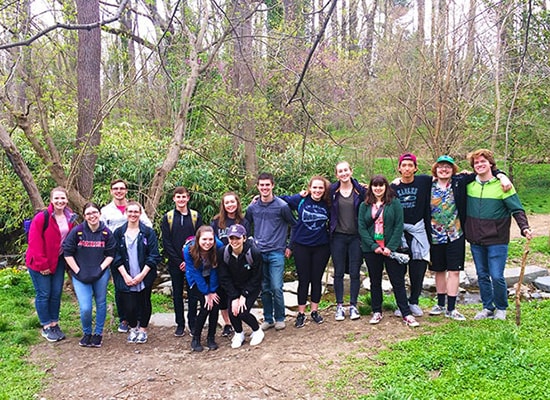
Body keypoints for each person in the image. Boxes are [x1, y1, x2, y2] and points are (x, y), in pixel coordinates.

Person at [428, 155, 512, 320]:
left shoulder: (460, 182)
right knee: (438, 270)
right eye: (440, 166)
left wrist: (502, 176)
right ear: (435, 169)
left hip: (456, 234)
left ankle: (451, 309)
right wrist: (395, 180)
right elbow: (407, 180)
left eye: (448, 166)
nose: (444, 169)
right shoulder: (427, 185)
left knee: (454, 271)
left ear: (453, 170)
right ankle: (440, 304)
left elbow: (486, 171)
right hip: (434, 236)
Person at [465, 149, 532, 320]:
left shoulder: (503, 185)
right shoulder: (470, 185)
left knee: (496, 275)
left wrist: (524, 227)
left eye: (483, 162)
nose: (480, 165)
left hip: (497, 239)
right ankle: (488, 307)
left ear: (490, 164)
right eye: (476, 163)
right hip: (476, 239)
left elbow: (517, 209)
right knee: (482, 275)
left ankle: (501, 308)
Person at [358, 175, 419, 327]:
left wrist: (390, 247)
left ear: (386, 186)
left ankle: (406, 313)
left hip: (391, 249)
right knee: (375, 281)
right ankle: (377, 311)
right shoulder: (364, 205)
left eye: (381, 185)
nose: (378, 188)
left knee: (397, 281)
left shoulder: (395, 203)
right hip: (371, 250)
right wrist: (374, 246)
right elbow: (362, 227)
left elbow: (399, 226)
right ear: (371, 187)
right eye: (375, 185)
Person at [100, 179, 152, 334]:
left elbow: (148, 226)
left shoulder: (135, 208)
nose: (119, 191)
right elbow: (101, 230)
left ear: (126, 191)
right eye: (115, 188)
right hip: (116, 252)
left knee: (139, 287)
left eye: (122, 188)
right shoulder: (106, 211)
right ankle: (124, 318)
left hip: (136, 249)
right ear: (111, 191)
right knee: (121, 286)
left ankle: (138, 319)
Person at [245, 173, 296, 331]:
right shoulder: (253, 207)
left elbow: (294, 225)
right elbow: (246, 225)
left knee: (276, 287)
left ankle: (280, 317)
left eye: (267, 185)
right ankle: (268, 318)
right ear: (258, 187)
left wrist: (289, 246)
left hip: (276, 252)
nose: (264, 188)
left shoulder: (282, 206)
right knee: (264, 287)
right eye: (262, 185)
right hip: (259, 253)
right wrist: (249, 245)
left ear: (273, 185)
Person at [26, 187, 78, 342]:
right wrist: (43, 265)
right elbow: (34, 242)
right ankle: (46, 326)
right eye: (56, 198)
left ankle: (54, 323)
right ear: (51, 200)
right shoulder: (43, 217)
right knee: (44, 293)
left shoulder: (70, 217)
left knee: (56, 293)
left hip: (58, 260)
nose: (60, 201)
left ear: (67, 200)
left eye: (62, 198)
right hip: (39, 262)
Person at [280, 176, 331, 328]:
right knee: (303, 280)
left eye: (320, 188)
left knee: (316, 279)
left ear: (324, 190)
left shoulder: (328, 203)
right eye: (314, 187)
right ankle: (301, 313)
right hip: (301, 245)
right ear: (309, 188)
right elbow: (281, 200)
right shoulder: (301, 200)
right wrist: (260, 198)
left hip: (321, 246)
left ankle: (314, 311)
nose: (317, 190)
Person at [64, 202, 116, 348]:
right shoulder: (77, 232)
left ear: (99, 214)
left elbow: (110, 254)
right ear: (84, 216)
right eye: (88, 214)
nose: (92, 216)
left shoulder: (106, 233)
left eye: (94, 213)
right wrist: (78, 271)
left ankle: (98, 334)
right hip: (80, 275)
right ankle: (87, 333)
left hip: (100, 273)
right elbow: (67, 253)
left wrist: (100, 268)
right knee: (85, 307)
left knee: (101, 303)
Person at [112, 201, 161, 344]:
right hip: (125, 275)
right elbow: (115, 256)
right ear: (125, 213)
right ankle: (133, 328)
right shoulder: (119, 233)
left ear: (140, 214)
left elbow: (154, 255)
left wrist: (141, 275)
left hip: (144, 275)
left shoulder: (147, 232)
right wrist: (125, 276)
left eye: (136, 212)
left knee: (145, 302)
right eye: (130, 212)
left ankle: (143, 329)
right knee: (129, 305)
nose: (133, 214)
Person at [390, 153, 432, 318]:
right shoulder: (392, 187)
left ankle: (413, 301)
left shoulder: (424, 181)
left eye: (410, 165)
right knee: (399, 270)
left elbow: (446, 176)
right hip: (399, 232)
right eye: (404, 165)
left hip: (418, 230)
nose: (407, 168)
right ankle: (401, 304)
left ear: (415, 167)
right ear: (399, 168)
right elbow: (374, 191)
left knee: (418, 268)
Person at [160, 186, 203, 337]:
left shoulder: (195, 216)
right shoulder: (168, 217)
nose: (181, 200)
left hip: (193, 262)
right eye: (178, 197)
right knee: (177, 293)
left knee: (193, 293)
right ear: (174, 199)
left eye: (183, 197)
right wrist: (179, 261)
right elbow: (166, 242)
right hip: (175, 262)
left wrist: (190, 260)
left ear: (188, 198)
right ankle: (180, 324)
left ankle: (193, 322)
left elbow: (200, 239)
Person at [329, 161, 367, 321]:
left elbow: (381, 195)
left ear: (351, 171)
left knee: (354, 272)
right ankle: (339, 306)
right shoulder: (331, 191)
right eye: (340, 171)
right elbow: (311, 195)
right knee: (338, 272)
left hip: (355, 237)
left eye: (346, 170)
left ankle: (353, 306)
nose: (343, 173)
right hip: (337, 236)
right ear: (337, 175)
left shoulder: (361, 191)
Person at [217, 224, 265, 348]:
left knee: (243, 312)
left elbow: (257, 276)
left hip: (251, 286)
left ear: (244, 238)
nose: (234, 241)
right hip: (233, 286)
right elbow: (224, 277)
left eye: (237, 238)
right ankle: (239, 333)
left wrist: (244, 294)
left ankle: (257, 330)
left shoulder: (254, 252)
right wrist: (234, 296)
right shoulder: (224, 253)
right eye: (231, 238)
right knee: (233, 311)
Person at [211, 192, 250, 337]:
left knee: (237, 290)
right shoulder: (216, 221)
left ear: (237, 203)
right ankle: (227, 323)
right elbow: (211, 242)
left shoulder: (244, 221)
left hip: (238, 262)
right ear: (223, 205)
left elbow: (247, 242)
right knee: (223, 293)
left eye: (232, 202)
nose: (230, 205)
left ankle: (238, 319)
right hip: (221, 262)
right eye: (227, 203)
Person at [184, 226, 220, 351]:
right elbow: (194, 272)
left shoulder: (218, 247)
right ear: (198, 239)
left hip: (211, 276)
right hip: (196, 278)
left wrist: (212, 291)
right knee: (206, 306)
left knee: (215, 305)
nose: (208, 242)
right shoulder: (188, 249)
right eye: (204, 239)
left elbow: (215, 270)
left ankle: (211, 337)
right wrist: (205, 292)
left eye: (211, 239)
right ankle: (196, 338)